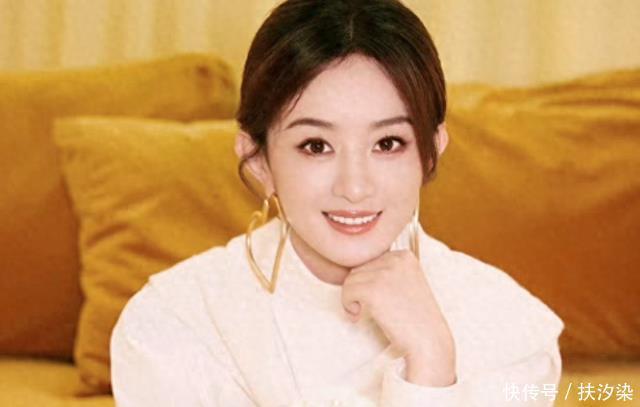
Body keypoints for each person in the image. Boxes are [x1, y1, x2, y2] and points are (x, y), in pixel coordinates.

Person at [110, 0, 565, 405]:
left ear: (431, 152)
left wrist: (431, 361)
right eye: (316, 146)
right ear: (258, 159)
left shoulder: (509, 328)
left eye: (387, 143)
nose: (355, 187)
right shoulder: (174, 322)